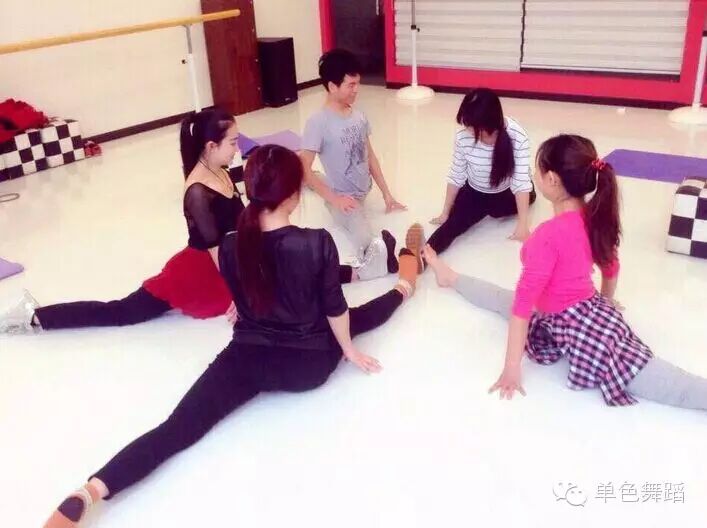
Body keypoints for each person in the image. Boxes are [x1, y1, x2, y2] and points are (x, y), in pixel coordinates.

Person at [43, 145, 424, 527]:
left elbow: (250, 290)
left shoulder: (229, 243)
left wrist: (244, 308)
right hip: (306, 364)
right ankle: (406, 284)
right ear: (293, 195)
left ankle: (91, 490)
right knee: (357, 317)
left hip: (246, 357)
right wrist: (348, 350)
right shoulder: (315, 241)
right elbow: (335, 308)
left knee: (177, 428)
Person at [424, 134, 707, 410]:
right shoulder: (594, 215)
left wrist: (511, 368)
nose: (535, 176)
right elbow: (611, 267)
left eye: (537, 170)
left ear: (551, 180)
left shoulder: (548, 235)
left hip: (573, 321)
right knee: (500, 299)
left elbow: (522, 306)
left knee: (653, 378)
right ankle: (449, 276)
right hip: (578, 309)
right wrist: (606, 302)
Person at [0, 109, 245, 334]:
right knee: (122, 312)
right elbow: (214, 248)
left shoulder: (221, 171)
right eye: (233, 142)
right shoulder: (197, 191)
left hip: (225, 262)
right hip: (200, 271)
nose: (238, 148)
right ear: (211, 146)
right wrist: (239, 291)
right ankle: (34, 317)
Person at [301, 48, 406, 280]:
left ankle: (313, 182)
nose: (356, 90)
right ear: (332, 86)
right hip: (343, 197)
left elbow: (370, 156)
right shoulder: (318, 123)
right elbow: (303, 167)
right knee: (364, 237)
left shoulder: (359, 116)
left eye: (357, 83)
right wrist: (335, 199)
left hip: (362, 190)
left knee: (318, 177)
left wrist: (387, 194)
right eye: (350, 85)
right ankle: (382, 257)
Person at [428, 88, 535, 255]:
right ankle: (420, 257)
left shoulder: (517, 136)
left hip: (505, 194)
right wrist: (444, 213)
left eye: (471, 125)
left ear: (487, 124)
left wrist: (523, 226)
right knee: (452, 225)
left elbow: (520, 183)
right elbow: (456, 174)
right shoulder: (463, 137)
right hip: (475, 191)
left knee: (519, 195)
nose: (467, 129)